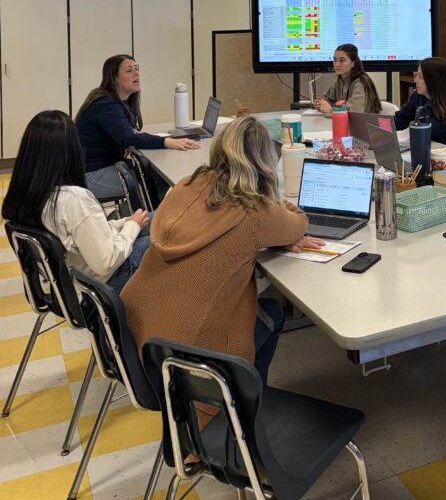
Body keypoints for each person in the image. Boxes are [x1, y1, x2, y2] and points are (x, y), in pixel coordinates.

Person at [121, 115, 320, 385]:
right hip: (186, 360)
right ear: (265, 161)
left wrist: (271, 232)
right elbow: (299, 224)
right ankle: (242, 413)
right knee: (271, 313)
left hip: (135, 332)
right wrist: (277, 218)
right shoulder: (254, 210)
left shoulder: (186, 185)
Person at [1, 110, 151, 291]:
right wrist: (131, 227)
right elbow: (107, 261)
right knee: (172, 235)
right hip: (103, 283)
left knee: (160, 219)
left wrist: (123, 223)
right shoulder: (73, 200)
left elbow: (80, 237)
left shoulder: (25, 196)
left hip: (72, 280)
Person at [75, 55, 200, 204]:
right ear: (113, 77)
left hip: (106, 166)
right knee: (148, 179)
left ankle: (157, 215)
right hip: (89, 175)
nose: (136, 74)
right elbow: (128, 137)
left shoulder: (123, 101)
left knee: (153, 173)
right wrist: (166, 141)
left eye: (137, 69)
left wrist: (132, 133)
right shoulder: (105, 103)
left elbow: (130, 132)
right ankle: (151, 220)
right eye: (129, 70)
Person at [394, 57, 446, 147]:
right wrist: (379, 127)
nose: (415, 80)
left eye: (420, 77)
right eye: (416, 75)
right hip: (428, 148)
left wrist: (430, 103)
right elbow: (401, 120)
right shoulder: (418, 96)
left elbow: (423, 131)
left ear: (434, 80)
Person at [314, 43, 382, 115]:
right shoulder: (339, 80)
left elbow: (353, 114)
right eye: (335, 60)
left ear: (353, 63)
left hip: (365, 125)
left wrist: (330, 110)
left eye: (342, 61)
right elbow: (329, 99)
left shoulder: (360, 84)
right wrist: (321, 104)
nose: (336, 64)